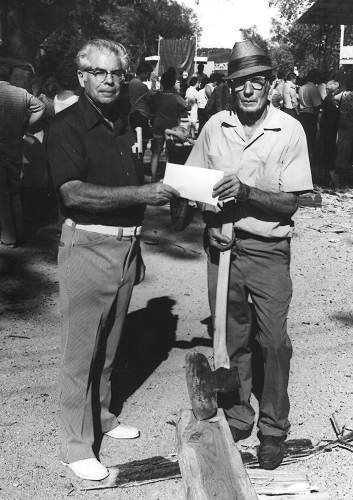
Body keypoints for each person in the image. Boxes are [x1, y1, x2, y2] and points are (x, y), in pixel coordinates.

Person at [45, 39, 178, 482]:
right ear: (81, 77)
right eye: (98, 73)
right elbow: (73, 193)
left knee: (109, 347)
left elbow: (131, 175)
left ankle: (102, 416)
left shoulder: (122, 121)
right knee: (80, 354)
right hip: (87, 245)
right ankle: (76, 445)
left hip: (125, 246)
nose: (108, 81)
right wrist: (143, 195)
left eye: (115, 73)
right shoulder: (66, 126)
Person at [185, 40, 313, 470]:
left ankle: (274, 428)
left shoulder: (289, 130)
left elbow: (289, 204)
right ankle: (239, 413)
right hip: (223, 249)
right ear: (230, 87)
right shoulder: (214, 126)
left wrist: (245, 191)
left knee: (273, 341)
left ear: (271, 84)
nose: (248, 90)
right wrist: (208, 222)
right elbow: (193, 187)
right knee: (231, 338)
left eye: (257, 81)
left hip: (268, 249)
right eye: (240, 82)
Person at [0, 63, 45, 247]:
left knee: (2, 193)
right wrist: (25, 125)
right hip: (14, 146)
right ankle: (20, 232)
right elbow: (40, 107)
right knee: (15, 192)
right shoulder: (21, 93)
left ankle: (9, 237)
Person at [149, 70, 188, 182]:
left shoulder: (157, 95)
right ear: (172, 83)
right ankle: (168, 177)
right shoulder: (176, 97)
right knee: (169, 153)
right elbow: (186, 106)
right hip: (172, 127)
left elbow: (152, 107)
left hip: (158, 125)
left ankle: (153, 176)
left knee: (156, 152)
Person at [332, 75, 353, 188]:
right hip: (352, 121)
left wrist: (337, 106)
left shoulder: (343, 94)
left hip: (342, 119)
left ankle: (339, 162)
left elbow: (333, 98)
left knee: (341, 142)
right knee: (349, 143)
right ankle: (345, 164)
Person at [298, 69, 322, 170]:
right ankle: (309, 165)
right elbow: (317, 105)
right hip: (310, 116)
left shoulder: (302, 87)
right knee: (311, 141)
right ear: (315, 77)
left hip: (302, 115)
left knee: (303, 141)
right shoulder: (313, 88)